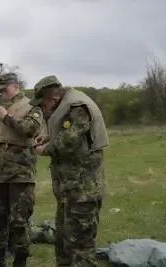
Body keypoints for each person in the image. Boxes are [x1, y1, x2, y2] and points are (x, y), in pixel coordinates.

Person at [33, 75, 109, 267]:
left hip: (82, 191)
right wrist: (47, 136)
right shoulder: (65, 106)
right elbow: (64, 131)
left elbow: (69, 140)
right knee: (63, 240)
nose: (43, 110)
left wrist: (46, 149)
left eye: (43, 105)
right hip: (69, 190)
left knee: (81, 246)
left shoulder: (77, 106)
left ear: (53, 99)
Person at [0, 73, 44, 267]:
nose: (1, 93)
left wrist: (6, 117)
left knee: (19, 221)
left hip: (20, 174)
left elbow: (30, 129)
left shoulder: (31, 107)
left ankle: (20, 260)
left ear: (15, 87)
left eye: (4, 89)